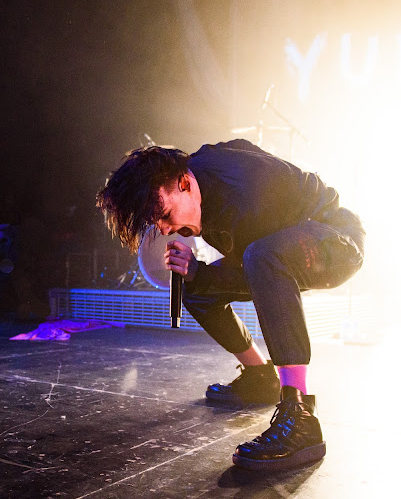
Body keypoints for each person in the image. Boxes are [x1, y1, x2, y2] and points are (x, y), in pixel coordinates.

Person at [96, 139, 365, 470]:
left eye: (165, 216)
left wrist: (200, 268)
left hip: (335, 240)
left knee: (261, 257)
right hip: (273, 249)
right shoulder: (200, 169)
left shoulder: (249, 194)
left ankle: (301, 415)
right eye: (157, 223)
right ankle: (259, 376)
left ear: (184, 184)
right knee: (196, 288)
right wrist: (195, 272)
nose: (165, 230)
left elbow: (255, 269)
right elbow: (242, 145)